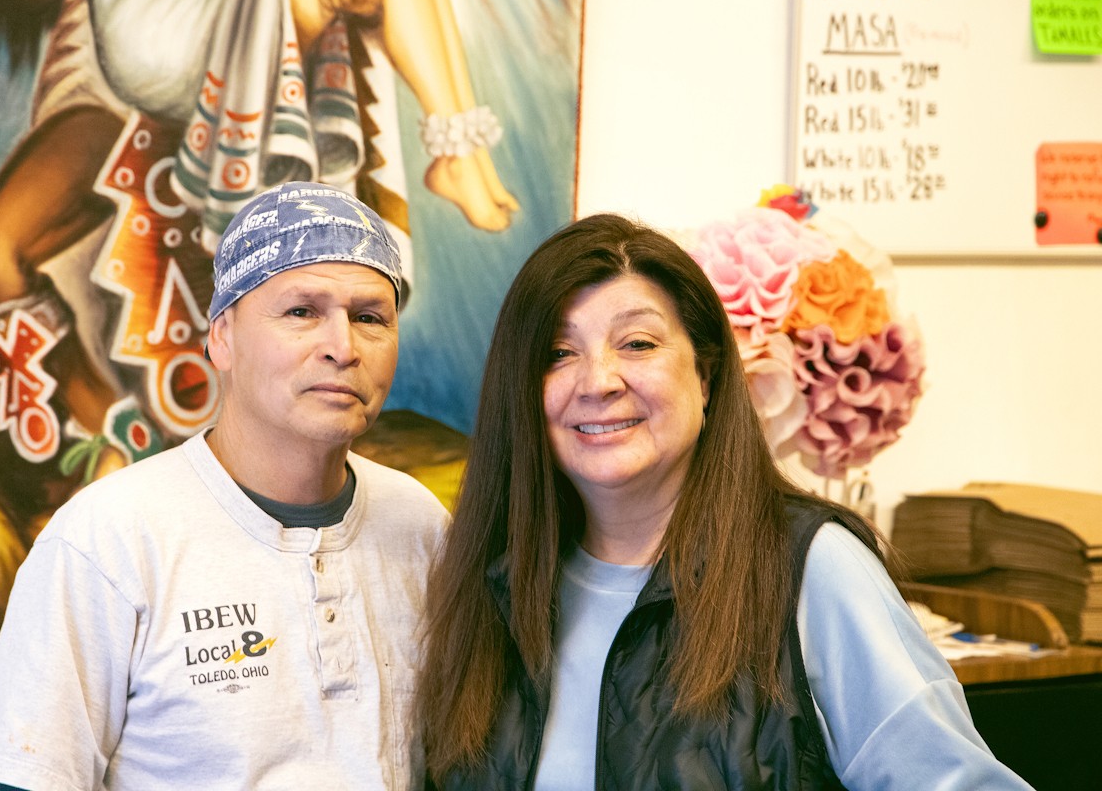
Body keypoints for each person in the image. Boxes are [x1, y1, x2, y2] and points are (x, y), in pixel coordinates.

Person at [417, 213, 1034, 790]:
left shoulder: (808, 568)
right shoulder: (491, 580)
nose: (598, 380)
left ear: (706, 376)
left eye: (638, 344)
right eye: (558, 353)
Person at [0, 181, 450, 790]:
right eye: (301, 311)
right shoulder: (108, 539)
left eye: (369, 317)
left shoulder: (421, 523)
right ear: (222, 337)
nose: (342, 347)